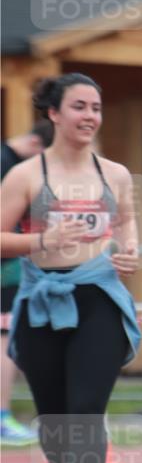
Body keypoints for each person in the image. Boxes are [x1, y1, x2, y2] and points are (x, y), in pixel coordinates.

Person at [0, 73, 141, 463]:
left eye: (96, 108)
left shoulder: (115, 174)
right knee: (53, 421)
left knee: (85, 411)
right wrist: (42, 241)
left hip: (96, 298)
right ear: (54, 114)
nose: (90, 117)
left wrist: (128, 253)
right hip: (41, 300)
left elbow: (127, 227)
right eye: (79, 107)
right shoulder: (26, 175)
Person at [1, 119, 53, 445]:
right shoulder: (11, 169)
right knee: (5, 339)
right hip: (6, 268)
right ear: (37, 145)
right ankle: (2, 417)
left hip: (13, 266)